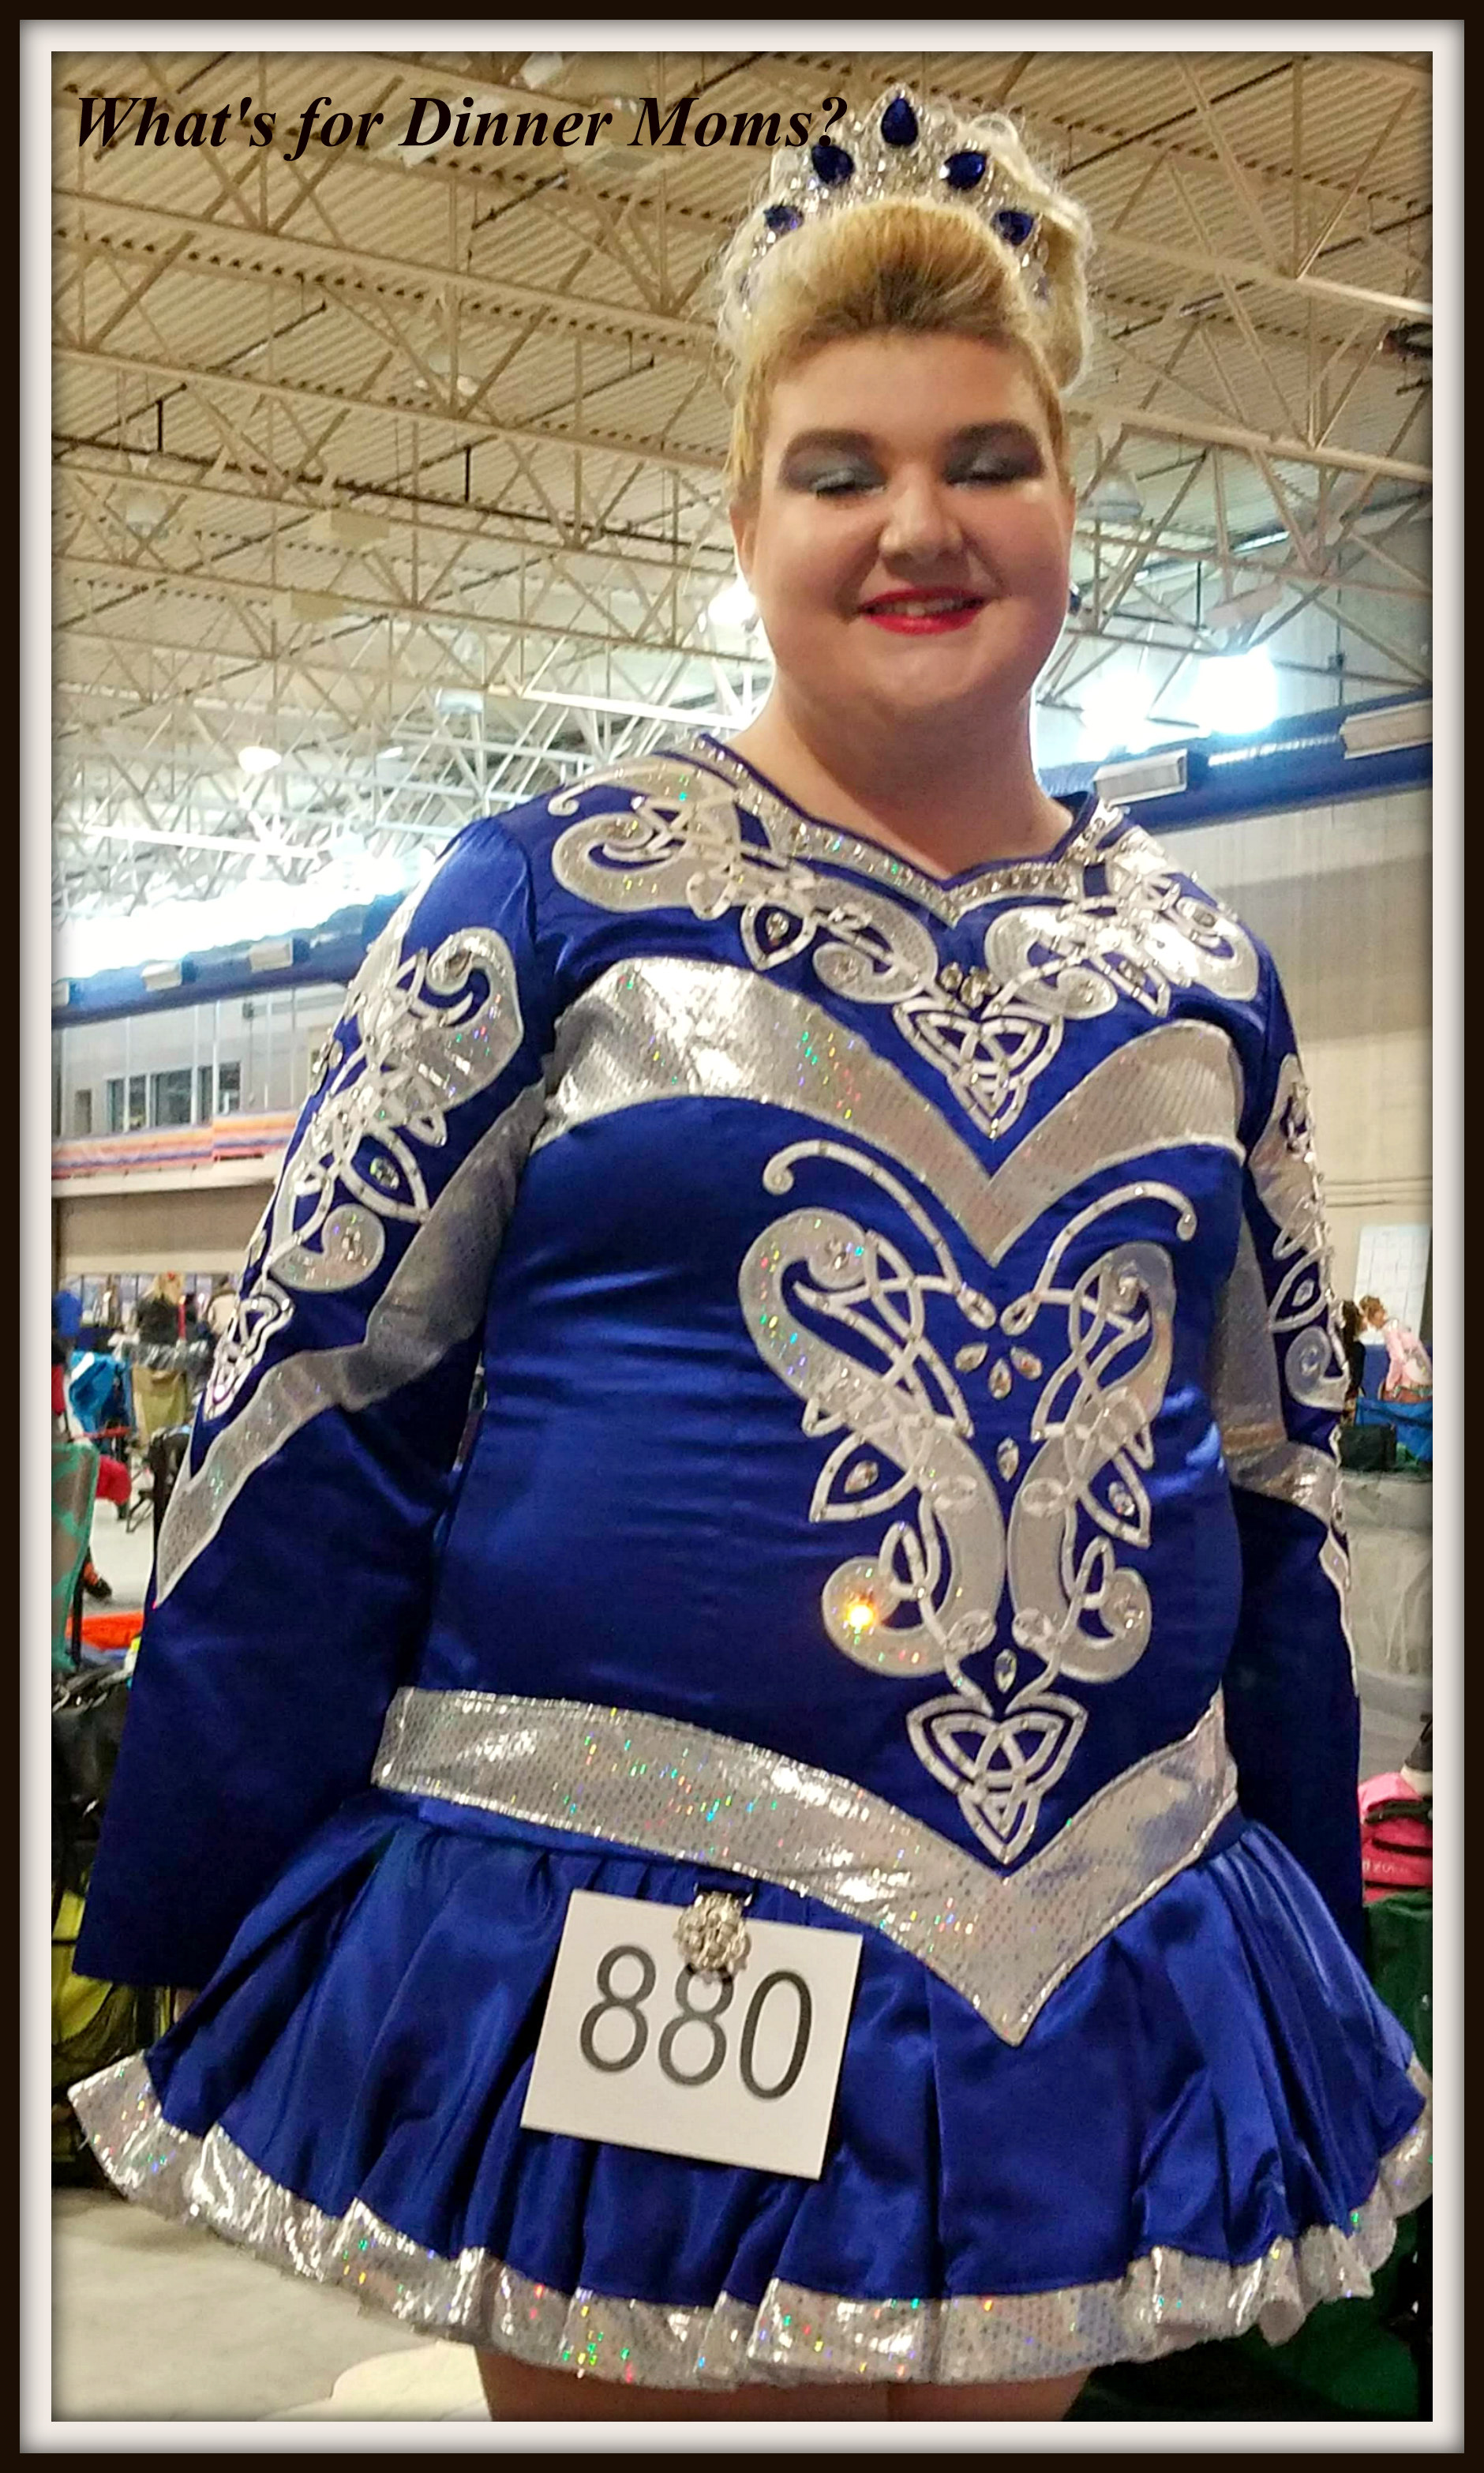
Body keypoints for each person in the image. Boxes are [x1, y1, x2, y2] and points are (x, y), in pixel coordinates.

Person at [72, 90, 1429, 2424]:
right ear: (743, 518)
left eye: (987, 459)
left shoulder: (1207, 970)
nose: (919, 522)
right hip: (617, 1932)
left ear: (1072, 504)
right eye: (840, 469)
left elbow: (1272, 1476)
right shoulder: (542, 895)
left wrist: (1297, 1901)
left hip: (1090, 1953)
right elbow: (316, 1410)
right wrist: (199, 1884)